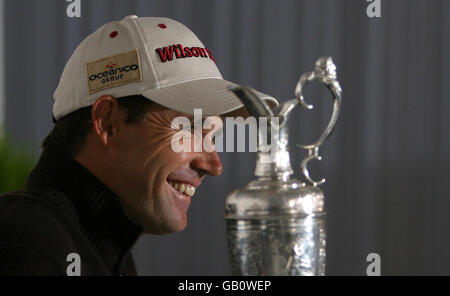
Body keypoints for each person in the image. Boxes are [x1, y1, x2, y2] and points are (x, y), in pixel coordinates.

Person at [0, 15, 276, 275]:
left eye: (213, 136)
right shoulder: (26, 247)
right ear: (108, 122)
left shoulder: (94, 250)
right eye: (190, 128)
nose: (214, 165)